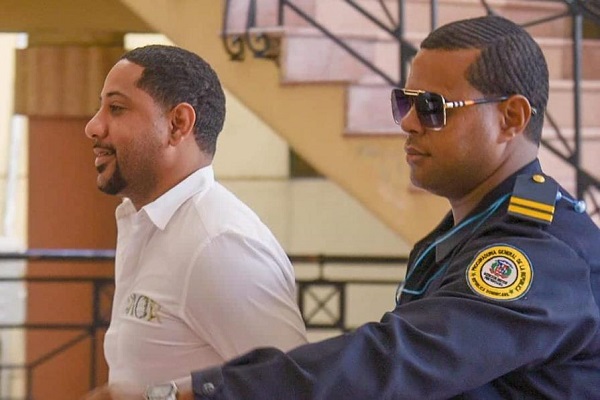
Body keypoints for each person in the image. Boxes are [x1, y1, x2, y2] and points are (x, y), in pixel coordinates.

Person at [83, 15, 600, 400]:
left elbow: (393, 361)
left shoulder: (539, 254)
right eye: (405, 102)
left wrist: (184, 394)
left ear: (511, 118)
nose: (408, 122)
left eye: (432, 108)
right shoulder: (470, 232)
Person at [81, 45, 307, 398]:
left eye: (117, 108)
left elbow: (292, 389)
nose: (93, 126)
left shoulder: (219, 244)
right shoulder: (148, 223)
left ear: (177, 124)